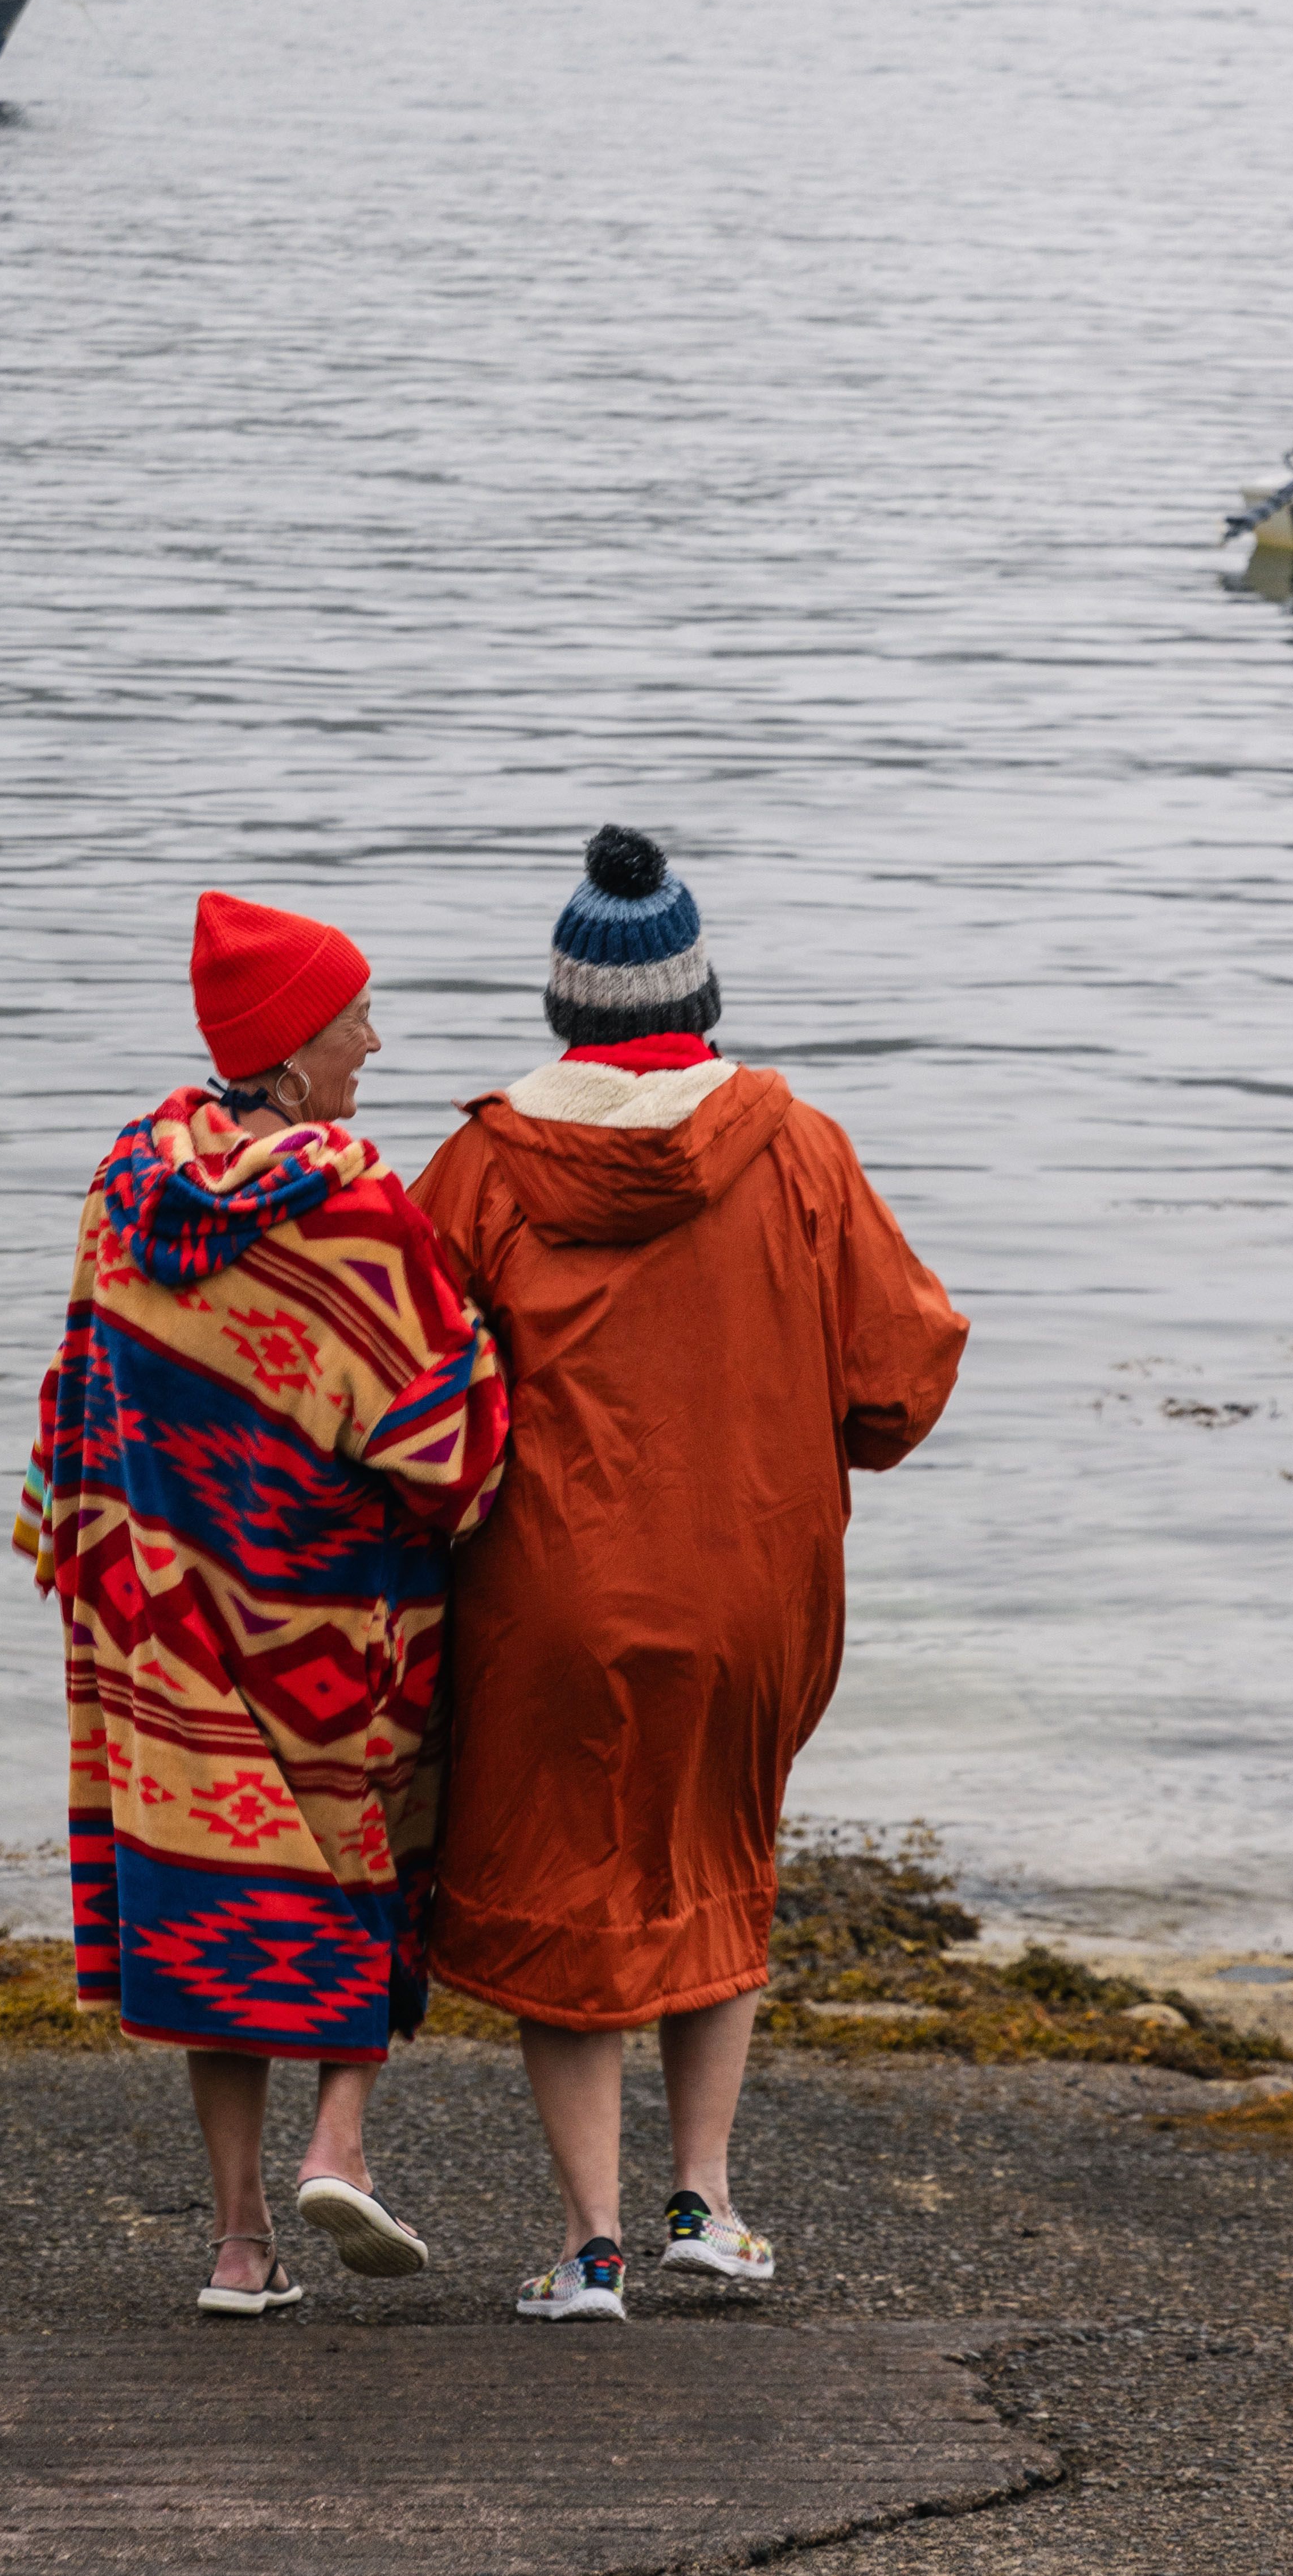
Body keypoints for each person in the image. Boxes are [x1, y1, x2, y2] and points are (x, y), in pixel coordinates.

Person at [414, 827, 967, 2324]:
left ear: (559, 1013)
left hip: (548, 1605)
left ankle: (588, 2247)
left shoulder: (478, 1168)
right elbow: (900, 1378)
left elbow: (409, 1399)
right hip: (745, 1594)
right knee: (717, 1866)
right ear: (702, 995)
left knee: (559, 1885)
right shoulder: (795, 1147)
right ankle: (705, 2205)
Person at [16, 888, 508, 2317]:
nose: (376, 1038)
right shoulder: (354, 1205)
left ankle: (241, 2248)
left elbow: (76, 1394)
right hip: (333, 1632)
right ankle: (340, 2141)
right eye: (357, 1013)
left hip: (166, 1634)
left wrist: (82, 1555)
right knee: (369, 1872)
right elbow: (443, 1438)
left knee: (209, 1908)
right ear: (295, 1047)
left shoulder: (124, 1189)